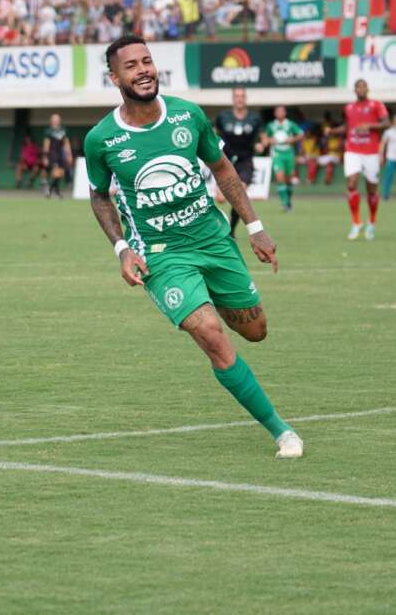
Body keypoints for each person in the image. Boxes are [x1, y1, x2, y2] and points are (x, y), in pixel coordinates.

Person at [84, 35, 303, 459]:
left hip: (213, 240)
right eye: (131, 65)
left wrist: (256, 227)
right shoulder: (101, 139)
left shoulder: (188, 115)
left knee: (256, 332)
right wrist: (121, 248)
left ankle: (208, 296)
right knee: (209, 333)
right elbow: (99, 196)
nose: (143, 70)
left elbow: (222, 168)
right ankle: (281, 431)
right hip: (162, 255)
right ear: (115, 78)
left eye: (147, 61)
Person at [331, 79, 389, 240]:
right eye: (358, 87)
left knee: (371, 189)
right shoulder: (348, 108)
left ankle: (371, 222)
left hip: (371, 151)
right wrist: (334, 131)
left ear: (368, 89)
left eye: (364, 87)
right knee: (351, 184)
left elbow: (386, 123)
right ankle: (356, 223)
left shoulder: (377, 105)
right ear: (355, 90)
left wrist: (369, 126)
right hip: (352, 150)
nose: (361, 89)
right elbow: (348, 127)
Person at [214, 88, 264, 235]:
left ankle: (231, 230)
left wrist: (262, 144)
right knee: (221, 199)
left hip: (245, 162)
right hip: (225, 162)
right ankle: (217, 224)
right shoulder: (223, 117)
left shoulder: (255, 118)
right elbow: (214, 135)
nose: (239, 99)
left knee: (238, 194)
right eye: (237, 96)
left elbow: (263, 137)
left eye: (242, 96)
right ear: (233, 99)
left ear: (245, 98)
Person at [261, 106, 304, 213]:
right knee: (280, 178)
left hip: (289, 154)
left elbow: (301, 134)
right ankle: (284, 203)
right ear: (275, 113)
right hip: (277, 154)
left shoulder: (290, 124)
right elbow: (265, 138)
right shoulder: (271, 125)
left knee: (288, 180)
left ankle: (288, 201)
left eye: (282, 111)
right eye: (278, 111)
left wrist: (292, 139)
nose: (280, 113)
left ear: (285, 113)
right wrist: (270, 140)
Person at [43, 114, 73, 199]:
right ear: (51, 121)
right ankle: (55, 191)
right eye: (54, 119)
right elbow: (46, 144)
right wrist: (45, 157)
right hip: (52, 154)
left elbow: (66, 143)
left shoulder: (63, 130)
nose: (56, 121)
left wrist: (69, 154)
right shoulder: (48, 131)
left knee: (61, 173)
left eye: (57, 119)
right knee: (56, 172)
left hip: (61, 154)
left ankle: (52, 190)